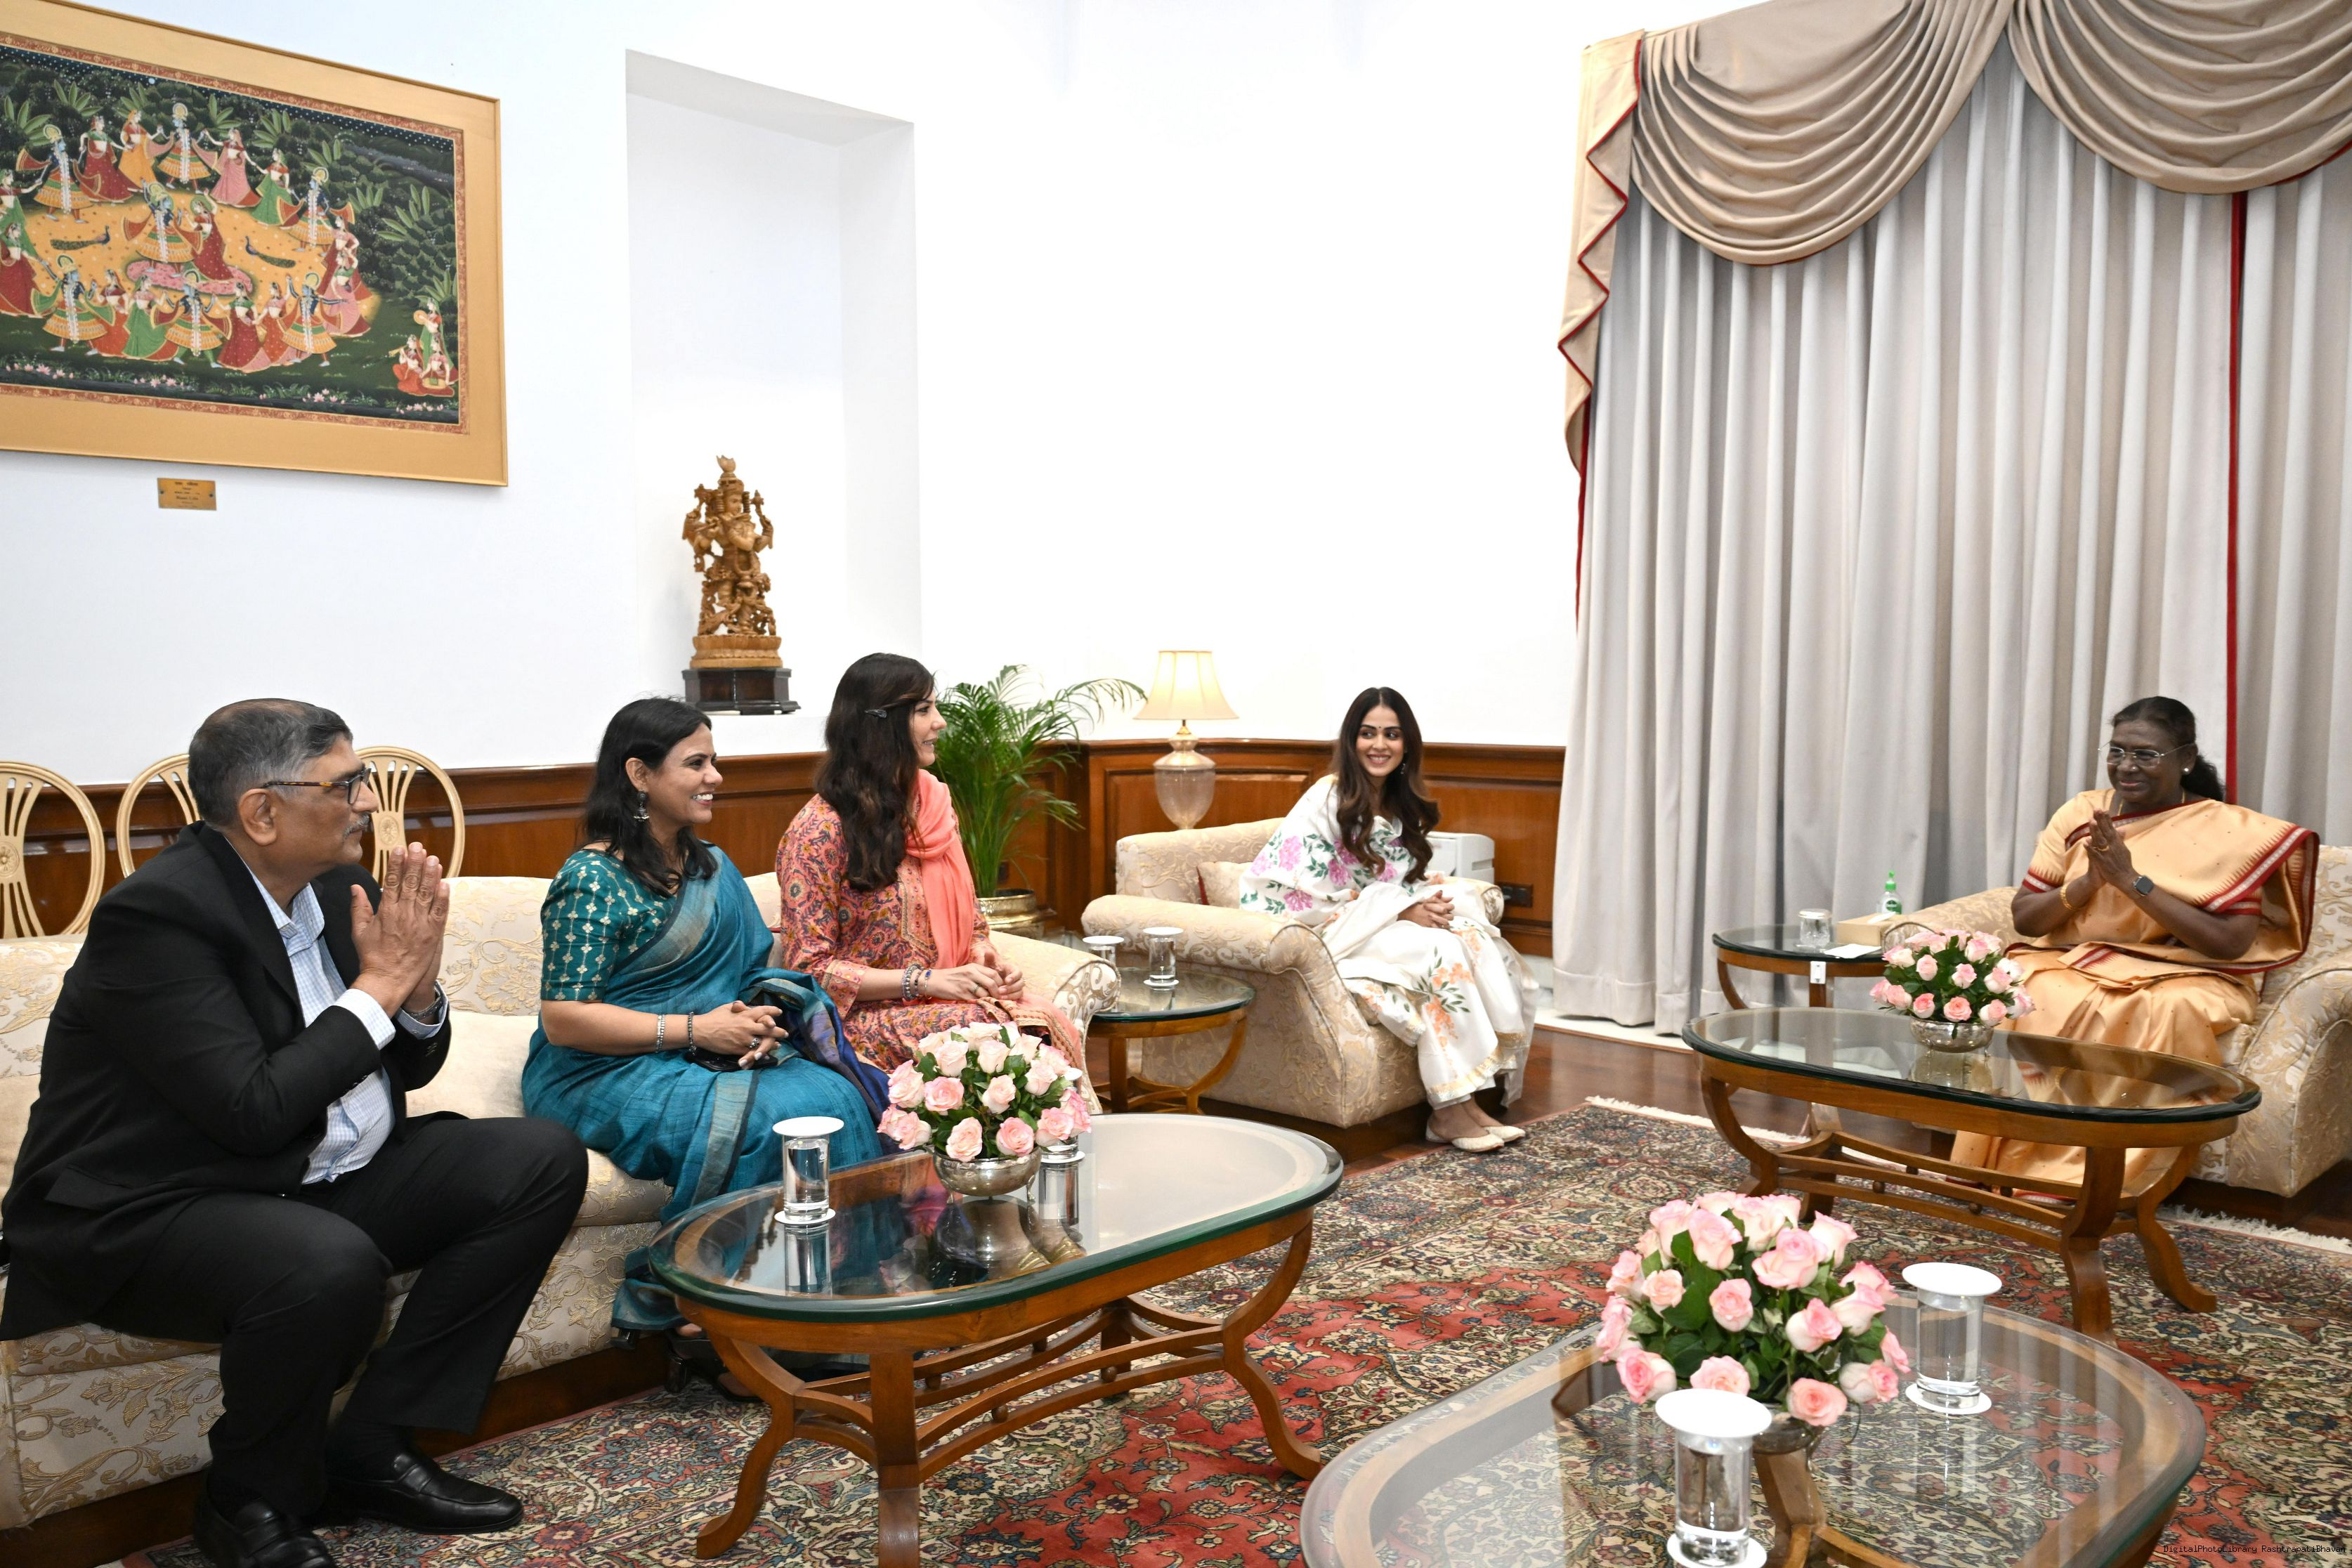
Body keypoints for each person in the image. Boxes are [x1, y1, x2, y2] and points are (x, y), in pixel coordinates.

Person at [0, 700, 588, 1568]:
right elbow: (255, 1110)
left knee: (536, 1159)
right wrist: (380, 987)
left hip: (308, 1179)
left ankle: (372, 1448)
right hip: (152, 1208)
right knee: (323, 1263)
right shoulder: (158, 919)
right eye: (345, 785)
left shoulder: (342, 890)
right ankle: (247, 1501)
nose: (367, 803)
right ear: (262, 811)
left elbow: (409, 1066)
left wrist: (418, 991)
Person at [521, 698, 885, 1374]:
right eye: (696, 763)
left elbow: (752, 975)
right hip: (602, 1066)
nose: (715, 777)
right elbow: (565, 1018)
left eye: (714, 761)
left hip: (711, 1048)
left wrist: (759, 1022)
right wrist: (698, 1029)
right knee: (763, 1122)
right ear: (639, 774)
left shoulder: (711, 866)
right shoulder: (592, 879)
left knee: (837, 1096)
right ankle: (729, 1325)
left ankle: (836, 1303)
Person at [1951, 697, 2318, 1189]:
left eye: (2146, 754)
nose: (2126, 766)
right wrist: (2087, 883)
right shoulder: (2082, 813)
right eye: (2117, 751)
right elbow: (2027, 919)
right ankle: (2018, 1156)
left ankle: (2097, 1177)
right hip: (2080, 961)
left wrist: (2131, 882)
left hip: (2193, 971)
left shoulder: (2230, 833)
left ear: (2186, 759)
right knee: (2030, 988)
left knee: (2162, 1010)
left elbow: (2229, 944)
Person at [1239, 688, 1536, 1151]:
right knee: (1439, 951)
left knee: (1471, 935)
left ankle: (1467, 1101)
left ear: (1407, 744)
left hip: (1377, 922)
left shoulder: (1399, 802)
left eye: (1392, 735)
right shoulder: (1327, 798)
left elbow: (1395, 880)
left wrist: (1423, 903)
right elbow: (1301, 892)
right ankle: (1447, 1110)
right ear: (1351, 740)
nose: (1379, 745)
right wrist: (1399, 908)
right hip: (1331, 931)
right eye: (1368, 733)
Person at [777, 653, 1083, 1073]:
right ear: (881, 723)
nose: (940, 722)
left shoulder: (932, 808)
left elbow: (973, 925)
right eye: (924, 710)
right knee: (1008, 1033)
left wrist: (987, 963)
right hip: (863, 1020)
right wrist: (924, 981)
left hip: (942, 1001)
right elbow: (809, 971)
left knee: (1026, 1027)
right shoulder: (818, 832)